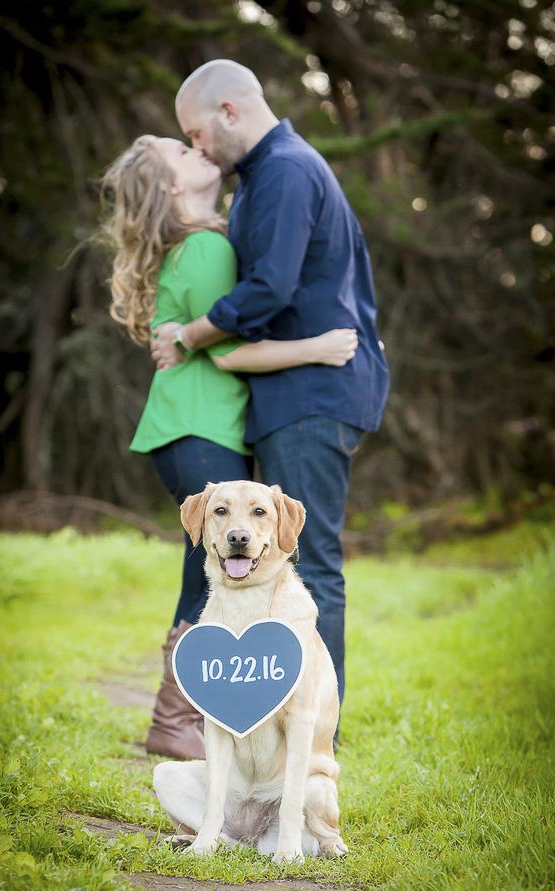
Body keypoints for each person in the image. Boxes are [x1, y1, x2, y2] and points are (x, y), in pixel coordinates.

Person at [101, 134, 357, 761]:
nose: (200, 153)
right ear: (169, 187)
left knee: (205, 567)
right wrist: (316, 348)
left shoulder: (197, 245)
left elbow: (200, 339)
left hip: (191, 425)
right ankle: (176, 720)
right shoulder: (209, 246)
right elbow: (231, 347)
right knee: (209, 569)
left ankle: (180, 716)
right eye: (181, 153)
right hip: (198, 425)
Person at [150, 60, 391, 720]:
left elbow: (269, 289)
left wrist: (191, 333)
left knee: (307, 565)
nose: (197, 148)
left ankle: (315, 738)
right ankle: (258, 721)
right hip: (291, 393)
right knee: (287, 564)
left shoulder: (284, 168)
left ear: (229, 112)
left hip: (314, 394)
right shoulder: (259, 180)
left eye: (196, 133)